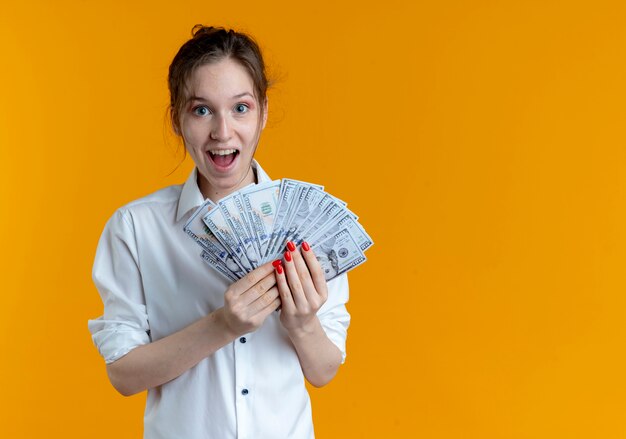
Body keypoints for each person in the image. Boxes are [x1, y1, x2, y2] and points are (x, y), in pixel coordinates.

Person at [87, 25, 350, 439]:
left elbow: (324, 371)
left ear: (263, 111)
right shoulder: (136, 228)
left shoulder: (308, 225)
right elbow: (123, 374)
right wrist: (223, 325)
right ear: (177, 119)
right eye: (202, 110)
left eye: (240, 108)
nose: (223, 133)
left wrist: (303, 324)